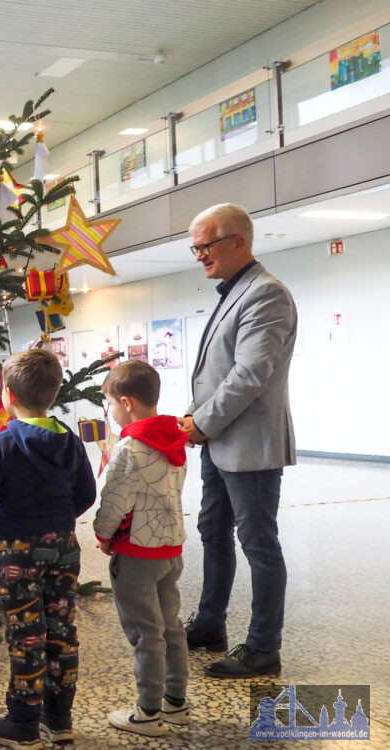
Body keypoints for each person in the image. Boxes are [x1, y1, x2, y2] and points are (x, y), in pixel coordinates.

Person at [179, 203, 297, 678]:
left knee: (258, 542)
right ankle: (210, 624)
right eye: (196, 247)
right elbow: (221, 370)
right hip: (219, 443)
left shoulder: (266, 294)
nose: (200, 256)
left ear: (239, 242)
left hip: (248, 447)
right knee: (213, 532)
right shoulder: (235, 291)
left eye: (206, 245)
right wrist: (196, 418)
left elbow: (249, 375)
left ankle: (264, 647)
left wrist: (202, 423)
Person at [0, 348, 96, 749]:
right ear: (52, 395)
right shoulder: (70, 441)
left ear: (8, 396)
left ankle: (22, 721)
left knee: (27, 634)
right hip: (63, 548)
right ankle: (59, 718)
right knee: (62, 631)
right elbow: (87, 495)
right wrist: (56, 523)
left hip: (15, 552)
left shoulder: (1, 445)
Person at [92, 360, 189, 737]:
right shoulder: (175, 440)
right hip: (171, 549)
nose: (110, 412)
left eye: (109, 404)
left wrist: (103, 536)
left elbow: (115, 502)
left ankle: (147, 712)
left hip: (136, 554)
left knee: (146, 633)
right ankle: (175, 703)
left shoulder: (129, 448)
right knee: (171, 626)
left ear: (127, 402)